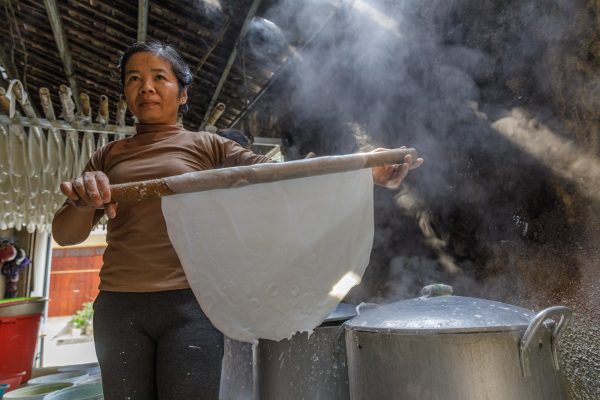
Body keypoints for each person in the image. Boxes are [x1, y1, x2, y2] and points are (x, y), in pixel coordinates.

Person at [51, 41, 422, 399]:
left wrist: (366, 168)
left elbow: (285, 177)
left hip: (190, 307)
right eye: (133, 79)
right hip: (119, 308)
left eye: (159, 77)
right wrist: (85, 201)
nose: (145, 87)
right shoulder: (107, 157)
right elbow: (65, 234)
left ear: (182, 94)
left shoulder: (209, 147)